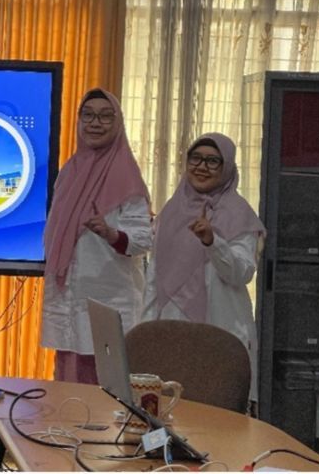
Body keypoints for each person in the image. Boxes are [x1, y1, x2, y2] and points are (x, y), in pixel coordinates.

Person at [143, 132, 265, 402]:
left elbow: (242, 272)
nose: (201, 167)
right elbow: (155, 277)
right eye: (195, 158)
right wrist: (144, 329)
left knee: (213, 412)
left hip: (217, 333)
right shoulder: (171, 211)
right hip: (170, 332)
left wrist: (213, 241)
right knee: (169, 410)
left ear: (227, 166)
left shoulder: (239, 213)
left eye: (212, 161)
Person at [41, 88, 152, 383]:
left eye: (105, 116)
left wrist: (110, 233)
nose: (95, 123)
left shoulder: (127, 176)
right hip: (68, 294)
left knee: (106, 387)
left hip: (109, 297)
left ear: (117, 123)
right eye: (88, 115)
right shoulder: (69, 172)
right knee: (69, 381)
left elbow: (143, 239)